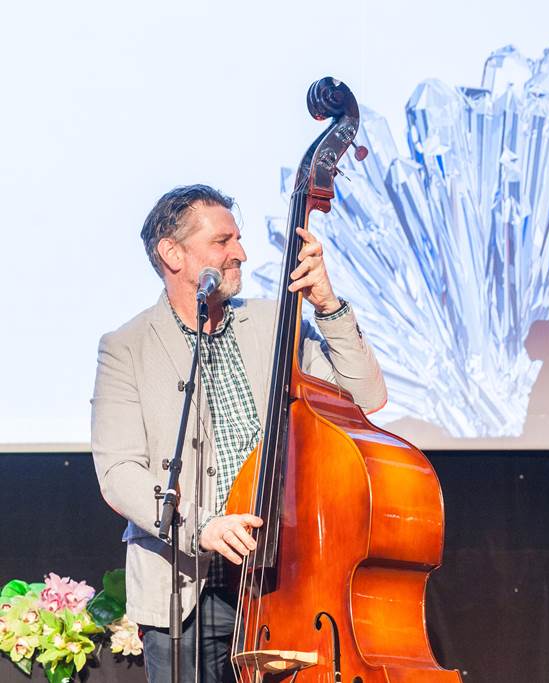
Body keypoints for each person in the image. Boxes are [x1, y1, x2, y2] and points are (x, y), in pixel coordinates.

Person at [91, 184, 387, 682]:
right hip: (186, 590)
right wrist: (201, 526)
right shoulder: (126, 347)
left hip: (286, 582)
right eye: (222, 241)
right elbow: (120, 472)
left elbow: (365, 397)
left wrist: (327, 305)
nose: (241, 253)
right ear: (172, 254)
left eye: (239, 239)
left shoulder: (277, 323)